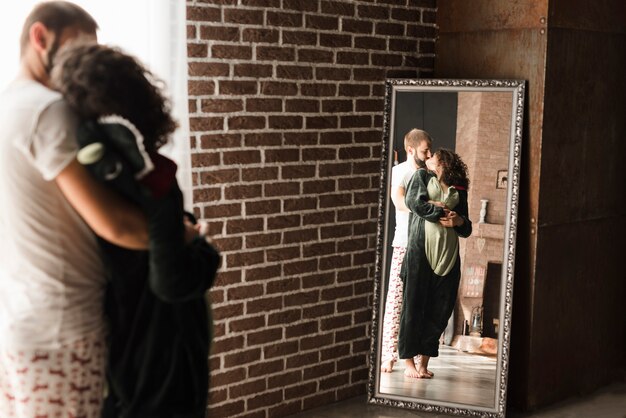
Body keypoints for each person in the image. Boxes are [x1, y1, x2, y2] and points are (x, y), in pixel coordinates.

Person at [51, 42, 220, 417]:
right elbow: (171, 281)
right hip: (164, 354)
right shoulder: (154, 175)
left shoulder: (81, 177)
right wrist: (205, 249)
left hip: (123, 346)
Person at [0, 2, 149, 417]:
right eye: (77, 48)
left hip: (17, 322)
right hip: (63, 327)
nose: (83, 64)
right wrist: (184, 235)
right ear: (40, 38)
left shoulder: (7, 106)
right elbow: (116, 225)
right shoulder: (48, 110)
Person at [398, 148, 472, 378]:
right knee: (413, 308)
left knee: (439, 312)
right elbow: (414, 202)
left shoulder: (458, 189)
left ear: (443, 162)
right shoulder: (421, 176)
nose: (428, 158)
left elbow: (466, 228)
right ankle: (409, 362)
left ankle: (424, 363)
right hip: (421, 255)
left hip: (448, 257)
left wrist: (458, 219)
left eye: (433, 157)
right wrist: (439, 210)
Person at [380, 129, 432, 373]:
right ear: (411, 149)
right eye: (424, 150)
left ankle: (419, 357)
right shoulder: (399, 171)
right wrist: (425, 207)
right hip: (403, 243)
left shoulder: (430, 173)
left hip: (427, 245)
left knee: (422, 303)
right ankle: (390, 355)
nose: (429, 154)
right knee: (396, 300)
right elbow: (399, 202)